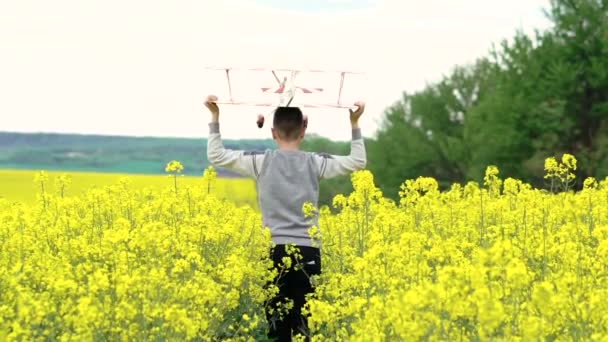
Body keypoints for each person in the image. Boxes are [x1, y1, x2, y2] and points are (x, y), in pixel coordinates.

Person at [204, 94, 366, 341]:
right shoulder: (315, 163)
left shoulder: (260, 161)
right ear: (304, 130)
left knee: (278, 329)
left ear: (272, 132)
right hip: (309, 251)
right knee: (304, 328)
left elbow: (217, 156)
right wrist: (354, 123)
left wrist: (215, 116)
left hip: (273, 252)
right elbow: (358, 161)